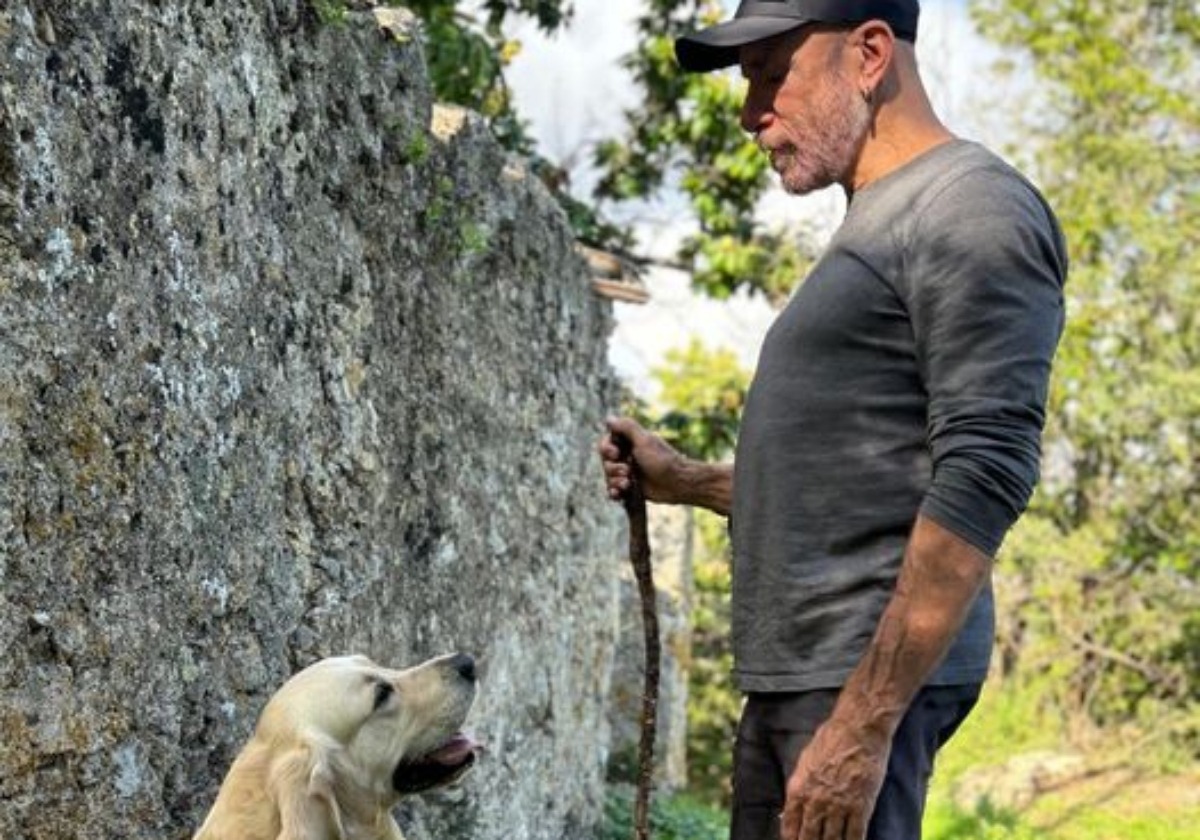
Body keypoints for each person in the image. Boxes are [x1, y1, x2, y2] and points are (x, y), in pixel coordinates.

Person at [597, 1, 1068, 839]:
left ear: (870, 54)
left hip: (849, 681)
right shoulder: (878, 222)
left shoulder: (971, 210)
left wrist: (861, 725)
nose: (751, 115)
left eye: (771, 75)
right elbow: (858, 486)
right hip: (807, 680)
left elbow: (987, 471)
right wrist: (687, 482)